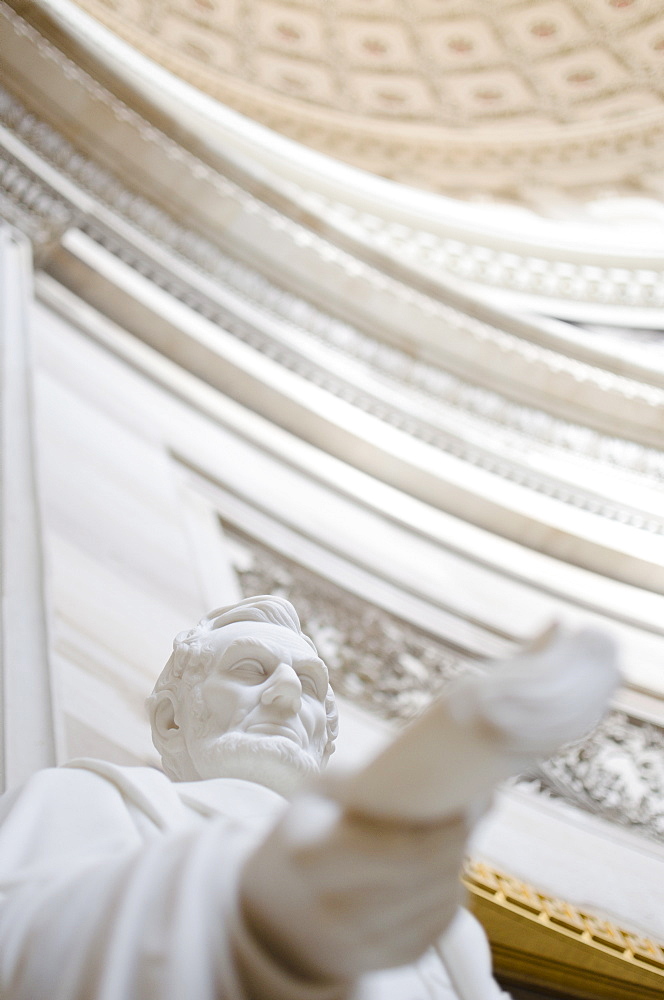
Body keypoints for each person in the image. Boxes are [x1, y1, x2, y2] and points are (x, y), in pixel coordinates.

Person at [0, 594, 616, 999]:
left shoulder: (448, 938)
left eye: (310, 685)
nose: (287, 698)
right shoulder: (90, 801)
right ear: (169, 722)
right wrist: (263, 921)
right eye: (249, 671)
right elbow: (21, 952)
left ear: (327, 737)